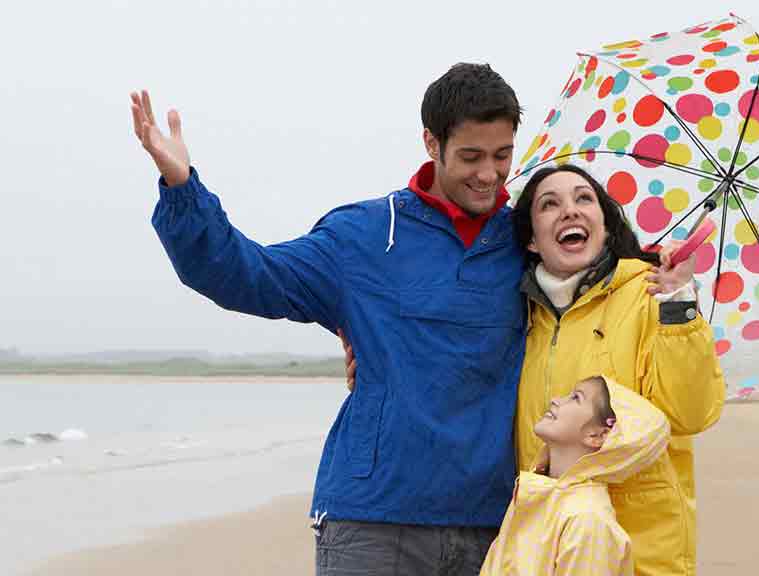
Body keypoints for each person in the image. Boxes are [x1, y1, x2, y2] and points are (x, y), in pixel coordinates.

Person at [129, 63, 527, 575]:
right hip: (374, 522)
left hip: (496, 524)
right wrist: (182, 186)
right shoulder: (365, 235)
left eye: (503, 155)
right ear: (432, 143)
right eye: (471, 156)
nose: (489, 174)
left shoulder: (527, 241)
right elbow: (245, 275)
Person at [512, 163, 726, 576]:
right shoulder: (521, 319)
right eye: (549, 204)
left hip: (640, 554)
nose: (570, 211)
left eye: (583, 198)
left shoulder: (649, 296)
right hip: (545, 553)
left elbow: (692, 412)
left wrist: (678, 303)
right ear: (533, 240)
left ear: (606, 226)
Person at [480, 375, 670, 576]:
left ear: (598, 435)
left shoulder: (588, 521)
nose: (555, 399)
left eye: (575, 398)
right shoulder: (535, 493)